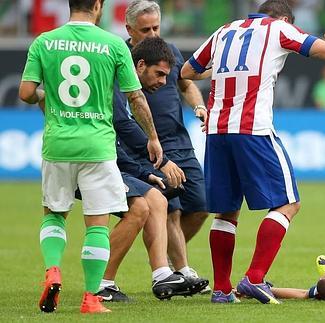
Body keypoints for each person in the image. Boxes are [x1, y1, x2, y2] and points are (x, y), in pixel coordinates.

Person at [181, 0, 325, 304]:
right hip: (252, 128)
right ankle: (253, 279)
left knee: (226, 212)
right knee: (288, 204)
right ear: (284, 17)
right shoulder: (278, 28)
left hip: (217, 131)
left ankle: (221, 291)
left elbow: (187, 71)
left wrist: (222, 72)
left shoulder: (223, 30)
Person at [19, 0, 162, 314]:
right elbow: (134, 97)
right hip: (97, 147)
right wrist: (152, 137)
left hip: (57, 145)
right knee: (96, 224)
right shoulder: (112, 44)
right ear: (98, 5)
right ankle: (90, 298)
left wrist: (45, 95)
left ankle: (53, 269)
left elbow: (26, 93)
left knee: (54, 215)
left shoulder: (43, 42)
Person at [93, 37, 208, 302]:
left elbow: (120, 136)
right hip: (94, 159)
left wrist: (146, 171)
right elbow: (120, 129)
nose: (163, 81)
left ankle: (162, 274)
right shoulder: (115, 84)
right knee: (138, 209)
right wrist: (156, 162)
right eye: (159, 74)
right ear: (140, 64)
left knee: (158, 199)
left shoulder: (124, 83)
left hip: (111, 156)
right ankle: (101, 284)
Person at [114, 0, 211, 292]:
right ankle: (177, 269)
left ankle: (166, 258)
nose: (153, 33)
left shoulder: (169, 51)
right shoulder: (121, 57)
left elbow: (186, 84)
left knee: (201, 206)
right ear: (130, 29)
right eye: (146, 29)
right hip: (147, 146)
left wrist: (199, 107)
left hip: (180, 142)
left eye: (157, 26)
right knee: (169, 209)